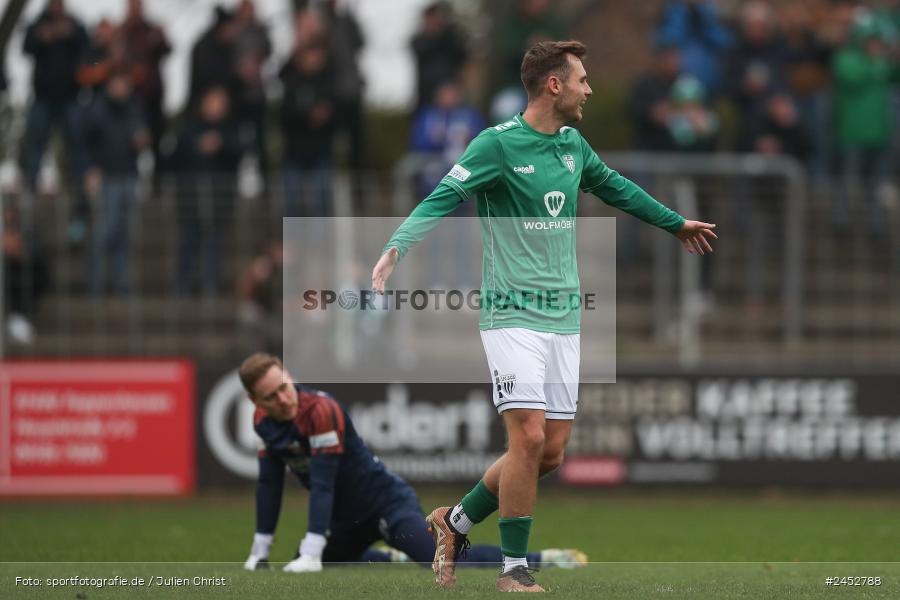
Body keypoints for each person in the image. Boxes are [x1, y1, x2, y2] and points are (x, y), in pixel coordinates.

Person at [371, 40, 716, 592]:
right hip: (511, 315)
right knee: (527, 438)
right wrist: (396, 246)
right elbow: (441, 196)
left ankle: (454, 523)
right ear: (554, 85)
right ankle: (513, 570)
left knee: (548, 452)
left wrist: (675, 224)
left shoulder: (574, 145)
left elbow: (618, 188)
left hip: (564, 316)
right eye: (581, 78)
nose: (589, 88)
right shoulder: (497, 145)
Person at [238, 353, 587, 573]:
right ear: (256, 401)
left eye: (285, 386)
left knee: (443, 562)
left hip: (386, 503)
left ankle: (543, 559)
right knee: (317, 559)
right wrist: (260, 553)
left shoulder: (320, 410)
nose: (285, 399)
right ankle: (391, 558)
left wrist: (312, 550)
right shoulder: (262, 422)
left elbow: (324, 483)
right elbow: (268, 484)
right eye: (272, 396)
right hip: (346, 518)